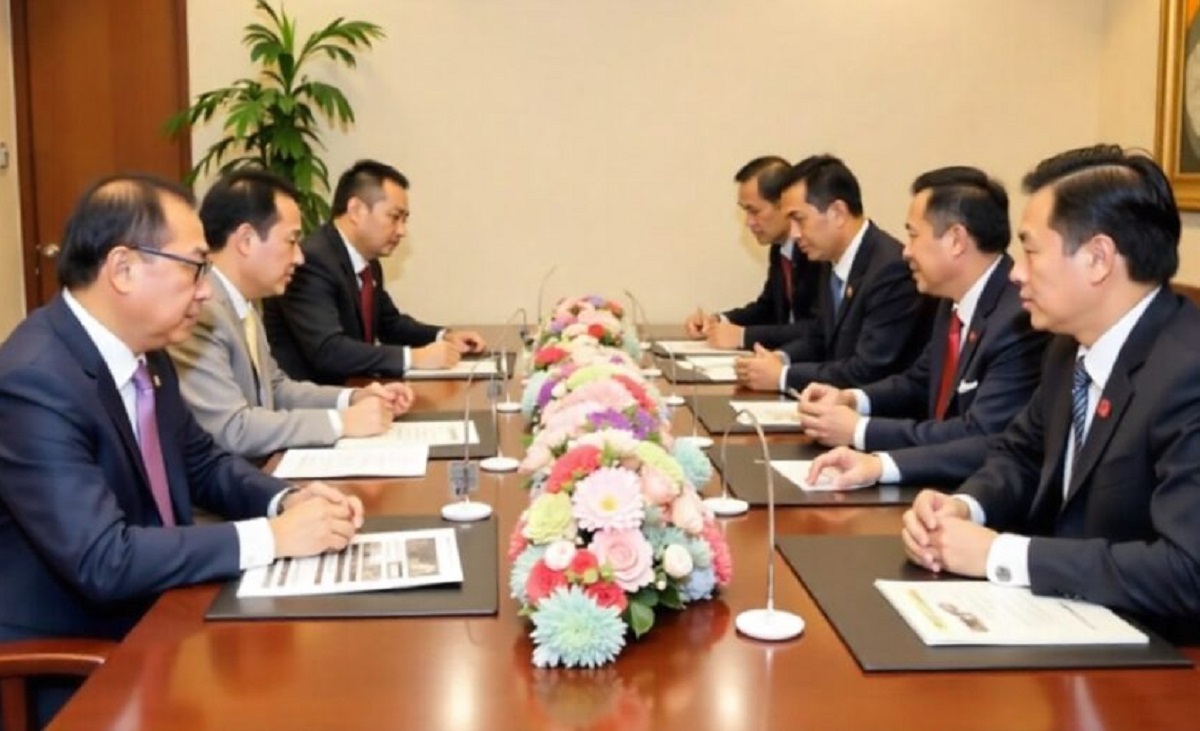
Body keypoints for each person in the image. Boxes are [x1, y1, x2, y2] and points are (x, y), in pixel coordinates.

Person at [0, 174, 365, 725]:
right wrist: (272, 537)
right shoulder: (35, 381)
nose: (205, 290)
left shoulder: (147, 352)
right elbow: (104, 560)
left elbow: (202, 462)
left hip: (164, 612)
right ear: (123, 269)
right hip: (72, 664)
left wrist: (286, 499)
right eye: (194, 267)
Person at [902, 145, 1200, 639]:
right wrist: (965, 507)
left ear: (1098, 259)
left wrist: (999, 554)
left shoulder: (1187, 373)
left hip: (1158, 656)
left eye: (1031, 250)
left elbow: (1188, 570)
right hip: (1064, 624)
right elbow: (1021, 453)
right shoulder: (1067, 347)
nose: (1016, 272)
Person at [800, 166, 1048, 487]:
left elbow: (980, 433)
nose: (905, 251)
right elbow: (919, 382)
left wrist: (860, 430)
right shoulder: (952, 299)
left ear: (956, 240)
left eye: (914, 235)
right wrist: (852, 399)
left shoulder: (1018, 320)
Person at [169, 170, 414, 459]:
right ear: (246, 240)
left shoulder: (243, 303)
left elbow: (275, 389)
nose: (299, 257)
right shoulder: (200, 312)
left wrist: (353, 397)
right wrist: (341, 423)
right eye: (291, 241)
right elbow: (233, 428)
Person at [263, 159, 487, 385]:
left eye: (404, 220)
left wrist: (443, 336)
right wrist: (414, 358)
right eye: (394, 217)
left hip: (358, 391)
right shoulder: (312, 261)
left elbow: (390, 324)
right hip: (315, 399)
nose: (402, 231)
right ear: (356, 210)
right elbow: (328, 350)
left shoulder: (367, 261)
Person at [734, 154, 934, 393]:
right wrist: (780, 358)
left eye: (799, 219)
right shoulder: (831, 259)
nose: (794, 234)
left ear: (838, 213)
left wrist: (783, 376)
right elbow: (820, 335)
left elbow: (867, 370)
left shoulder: (890, 269)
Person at [684, 156, 819, 350]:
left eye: (754, 211)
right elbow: (768, 310)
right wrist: (717, 322)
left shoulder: (815, 250)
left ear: (784, 204)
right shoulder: (780, 248)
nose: (749, 222)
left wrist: (744, 337)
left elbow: (817, 328)